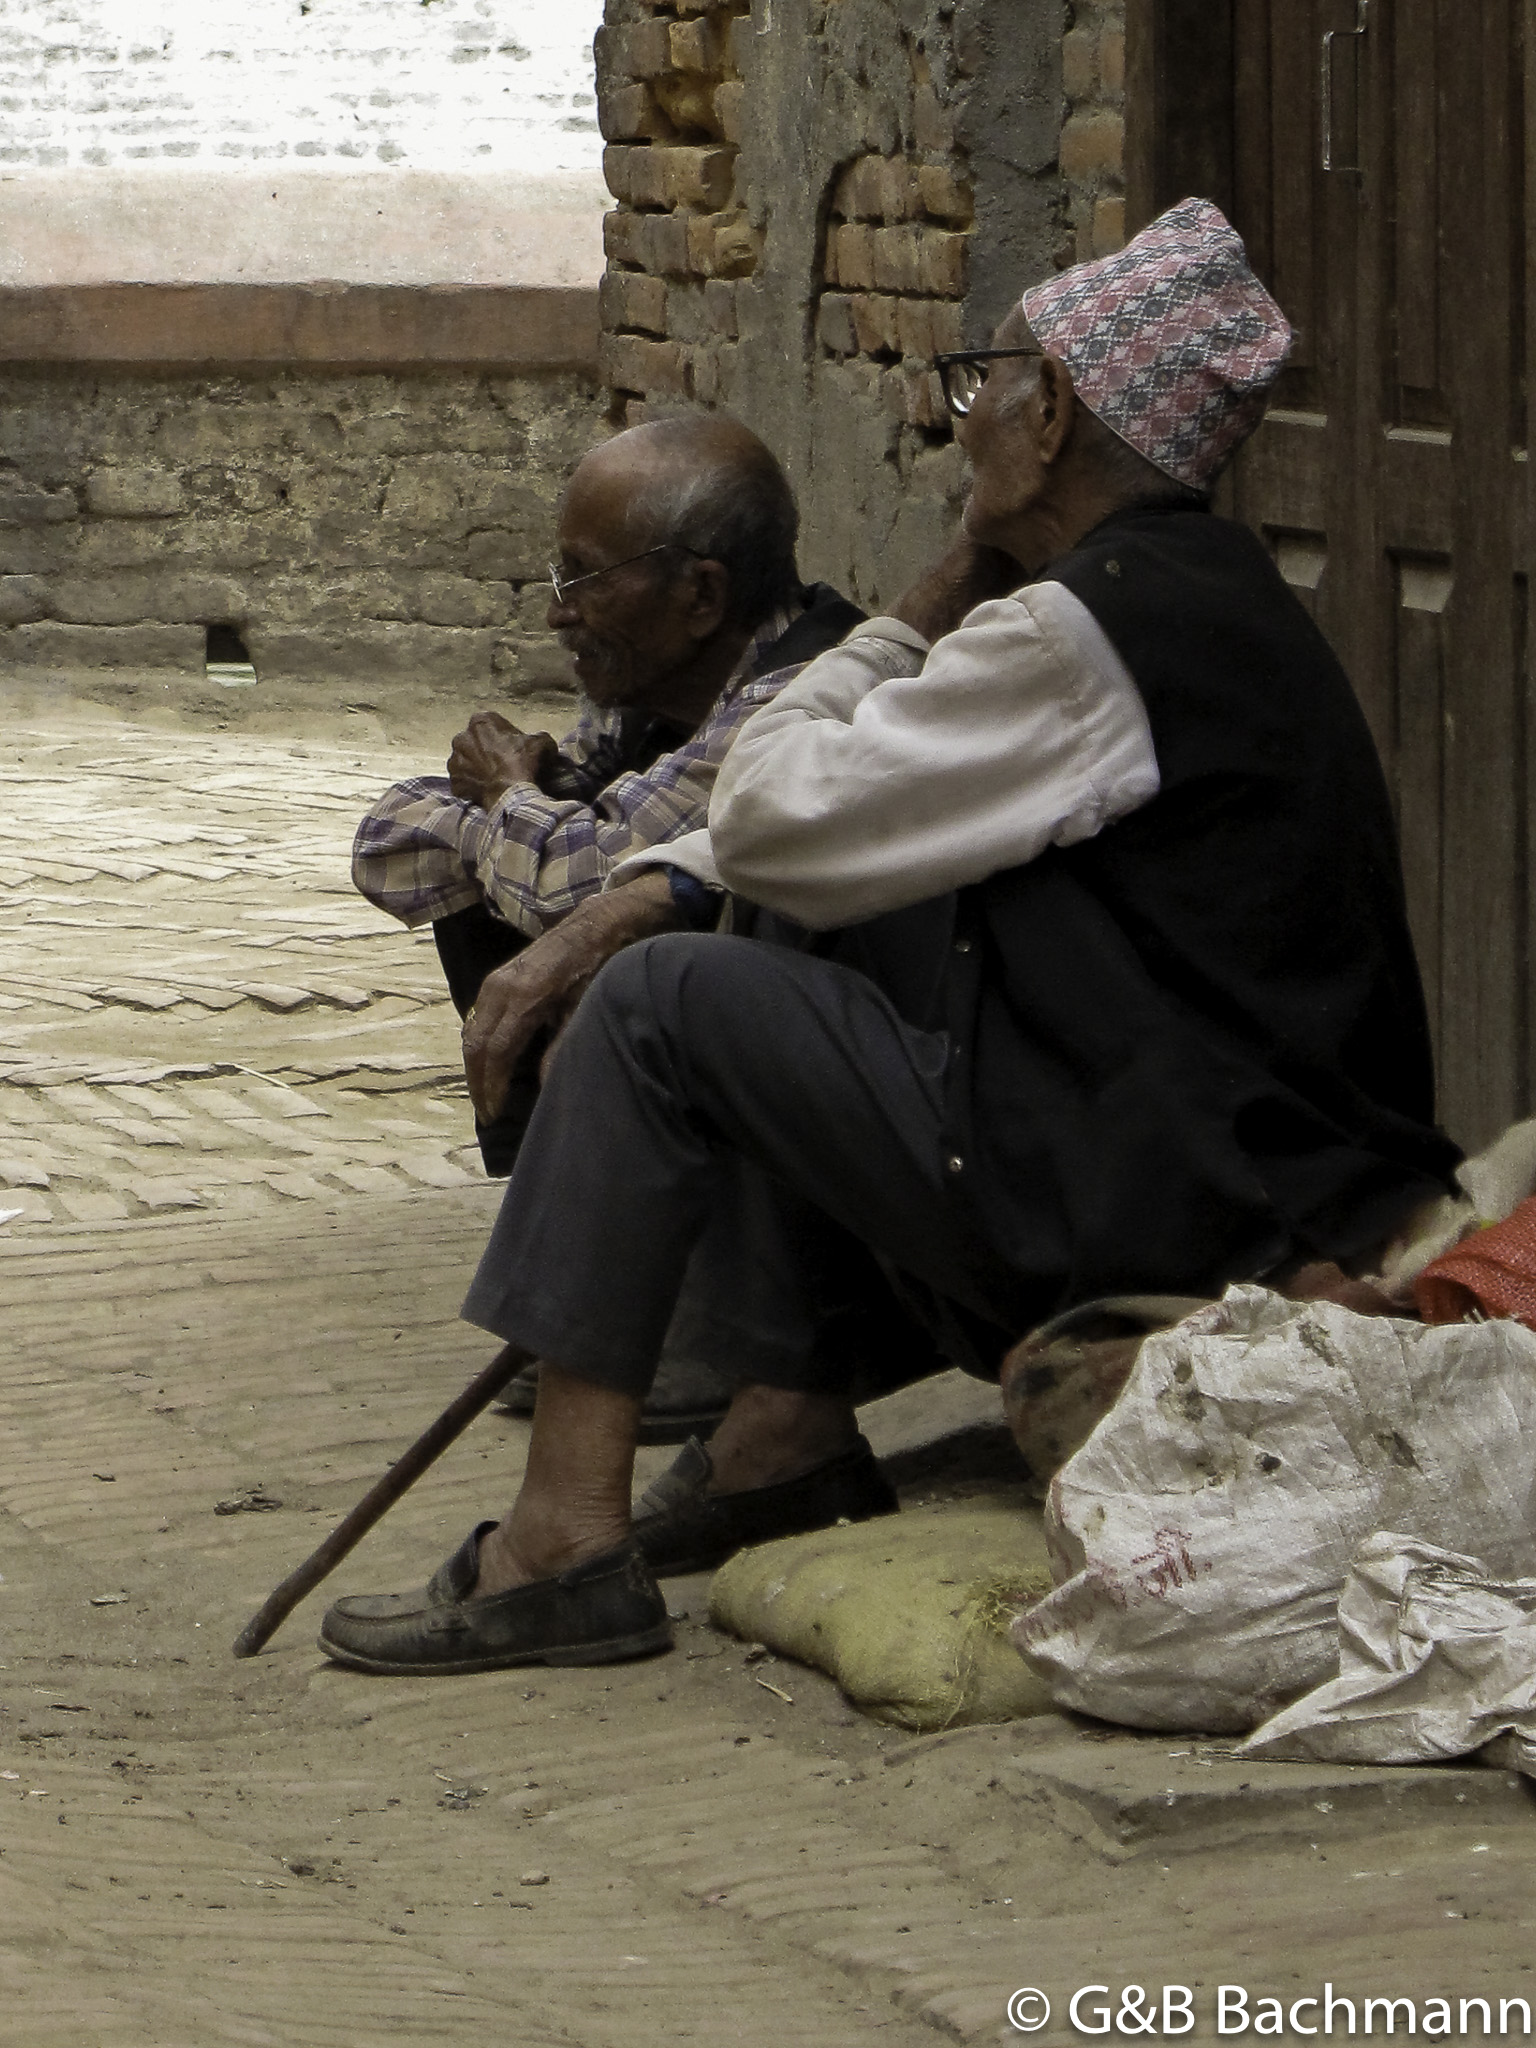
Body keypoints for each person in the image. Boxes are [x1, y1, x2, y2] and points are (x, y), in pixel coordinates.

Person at [317, 198, 1463, 1678]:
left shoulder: (1076, 635)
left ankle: (557, 1544)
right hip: (1216, 1153)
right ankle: (775, 1435)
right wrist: (650, 883)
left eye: (990, 376)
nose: (964, 411)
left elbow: (779, 807)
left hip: (1193, 1198)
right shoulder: (1166, 605)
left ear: (1049, 416)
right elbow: (810, 843)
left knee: (665, 1004)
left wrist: (924, 597)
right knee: (795, 926)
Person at [352, 412, 863, 1438]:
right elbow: (389, 844)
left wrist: (510, 800)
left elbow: (587, 883)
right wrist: (526, 826)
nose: (559, 615)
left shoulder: (800, 697)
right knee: (517, 902)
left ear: (701, 593)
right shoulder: (651, 686)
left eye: (583, 580)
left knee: (635, 946)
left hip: (830, 1064)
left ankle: (708, 1311)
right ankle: (602, 1268)